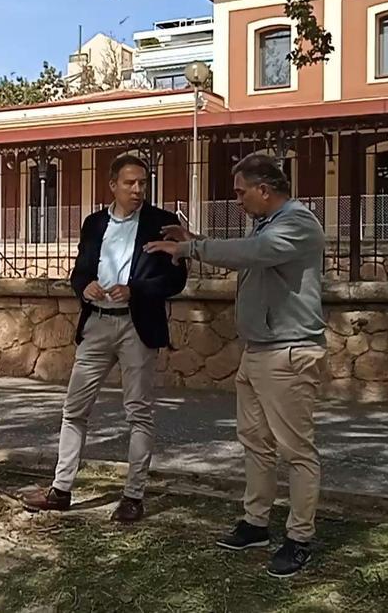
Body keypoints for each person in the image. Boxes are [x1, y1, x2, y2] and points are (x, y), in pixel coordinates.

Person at [144, 153, 326, 578]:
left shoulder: (297, 223)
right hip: (260, 351)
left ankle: (299, 539)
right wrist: (195, 237)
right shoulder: (266, 224)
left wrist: (190, 246)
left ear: (265, 190)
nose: (238, 200)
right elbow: (250, 251)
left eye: (242, 192)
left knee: (297, 451)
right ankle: (256, 524)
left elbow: (254, 253)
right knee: (255, 443)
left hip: (288, 353)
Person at [22, 153, 188, 523]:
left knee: (139, 413)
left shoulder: (162, 223)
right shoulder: (94, 223)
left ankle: (133, 496)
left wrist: (136, 290)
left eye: (143, 183)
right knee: (74, 409)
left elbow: (176, 280)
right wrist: (85, 288)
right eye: (130, 183)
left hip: (137, 326)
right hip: (97, 324)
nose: (138, 189)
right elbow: (80, 271)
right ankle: (61, 489)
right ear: (112, 185)